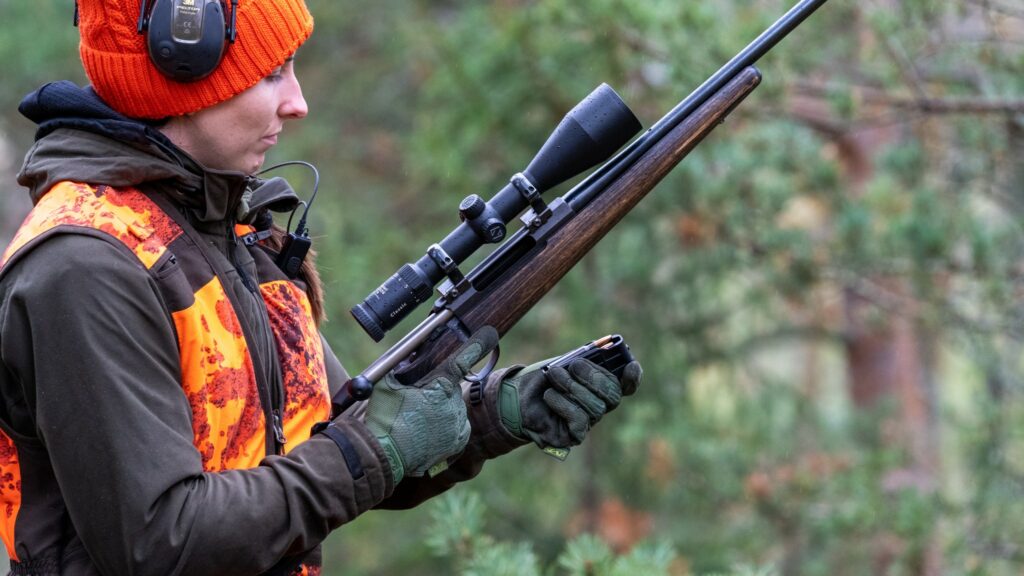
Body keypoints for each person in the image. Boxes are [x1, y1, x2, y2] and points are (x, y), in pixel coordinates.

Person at [0, 0, 643, 574]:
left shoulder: (230, 234)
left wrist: (498, 410)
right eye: (272, 72)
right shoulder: (88, 266)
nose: (297, 101)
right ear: (181, 66)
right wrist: (374, 447)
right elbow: (163, 542)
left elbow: (336, 438)